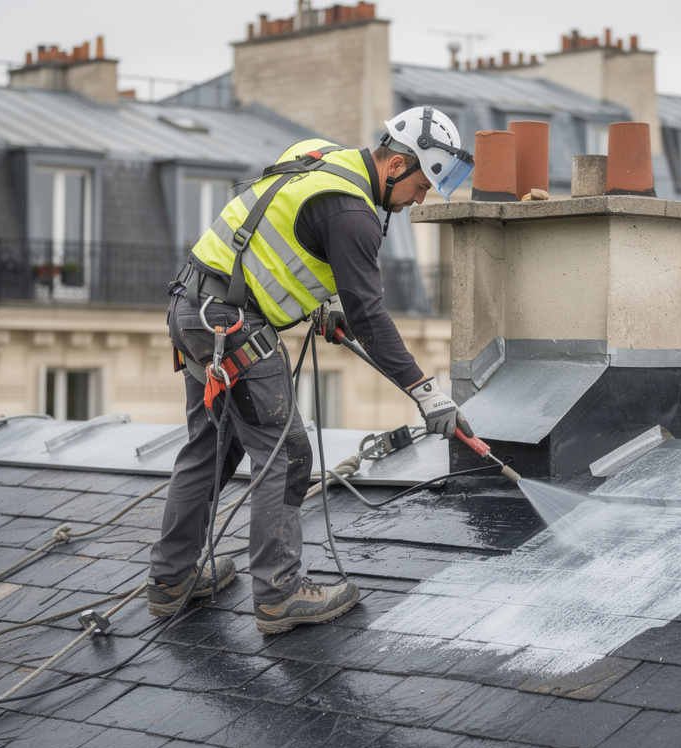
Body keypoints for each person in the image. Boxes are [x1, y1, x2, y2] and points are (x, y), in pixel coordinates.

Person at [147, 106, 475, 634]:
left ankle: (171, 580)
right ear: (395, 167)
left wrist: (319, 303)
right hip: (233, 325)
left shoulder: (316, 156)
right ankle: (278, 594)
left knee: (211, 447)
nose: (421, 199)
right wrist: (426, 391)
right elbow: (370, 314)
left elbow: (277, 235)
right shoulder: (354, 214)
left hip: (193, 308)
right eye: (420, 185)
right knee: (287, 452)